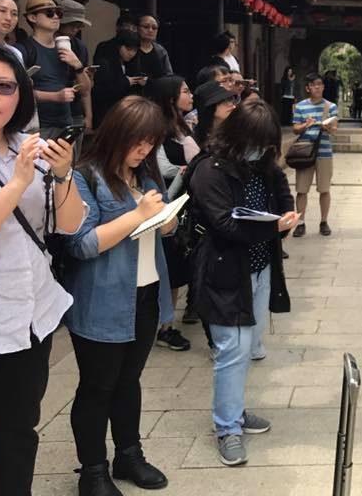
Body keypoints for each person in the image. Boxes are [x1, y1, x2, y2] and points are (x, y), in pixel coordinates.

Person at [0, 45, 85, 496]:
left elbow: (69, 225)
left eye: (4, 86)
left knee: (18, 433)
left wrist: (64, 174)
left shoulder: (31, 148)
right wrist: (18, 182)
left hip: (32, 317)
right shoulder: (18, 164)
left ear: (20, 96)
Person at [64, 96, 176, 496]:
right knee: (98, 387)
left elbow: (161, 228)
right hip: (102, 299)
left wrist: (166, 220)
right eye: (137, 141)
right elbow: (81, 245)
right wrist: (138, 215)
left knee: (129, 381)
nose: (144, 150)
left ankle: (129, 454)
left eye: (151, 143)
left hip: (146, 293)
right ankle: (92, 471)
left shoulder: (145, 175)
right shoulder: (85, 177)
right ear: (116, 133)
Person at [188, 100, 296, 467]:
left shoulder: (262, 164)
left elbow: (281, 192)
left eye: (267, 144)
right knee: (231, 350)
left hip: (260, 268)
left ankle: (234, 409)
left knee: (247, 347)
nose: (262, 150)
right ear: (237, 135)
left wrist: (287, 215)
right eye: (256, 142)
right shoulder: (210, 169)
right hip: (225, 272)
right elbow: (225, 225)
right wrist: (272, 227)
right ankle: (227, 428)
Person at [152, 76, 199, 352]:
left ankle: (166, 324)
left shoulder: (182, 125)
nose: (190, 95)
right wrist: (186, 171)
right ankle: (163, 327)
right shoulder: (157, 128)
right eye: (185, 91)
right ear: (170, 97)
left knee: (174, 267)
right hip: (165, 206)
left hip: (181, 205)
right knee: (167, 268)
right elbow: (162, 169)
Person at [22, 0, 90, 141]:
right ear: (33, 17)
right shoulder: (24, 49)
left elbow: (85, 90)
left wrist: (77, 65)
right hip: (38, 127)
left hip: (66, 124)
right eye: (49, 13)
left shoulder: (66, 49)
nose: (56, 17)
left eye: (58, 13)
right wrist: (55, 96)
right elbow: (17, 91)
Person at [292, 73, 338, 237]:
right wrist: (306, 125)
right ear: (308, 88)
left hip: (324, 152)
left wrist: (327, 127)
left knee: (324, 189)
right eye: (313, 84)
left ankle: (324, 221)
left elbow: (334, 129)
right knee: (301, 189)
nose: (317, 87)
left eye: (319, 84)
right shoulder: (300, 107)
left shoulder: (331, 106)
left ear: (323, 87)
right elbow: (295, 128)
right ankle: (300, 222)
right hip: (305, 152)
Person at [58, 0, 94, 153]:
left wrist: (89, 116)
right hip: (49, 114)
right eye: (72, 24)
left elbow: (86, 89)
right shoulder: (45, 44)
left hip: (75, 111)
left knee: (73, 159)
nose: (75, 29)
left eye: (79, 26)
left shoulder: (80, 46)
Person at [91, 30, 144, 129]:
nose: (131, 53)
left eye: (135, 50)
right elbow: (101, 93)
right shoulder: (105, 63)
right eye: (128, 49)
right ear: (119, 46)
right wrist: (126, 82)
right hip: (107, 114)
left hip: (126, 113)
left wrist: (141, 82)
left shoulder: (131, 64)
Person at [193, 80, 239, 149]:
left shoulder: (237, 132)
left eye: (230, 99)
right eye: (224, 101)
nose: (232, 105)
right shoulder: (194, 141)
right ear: (210, 108)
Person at [135, 14, 173, 85]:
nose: (150, 30)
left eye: (154, 28)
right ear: (136, 28)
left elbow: (169, 75)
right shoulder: (130, 48)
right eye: (146, 27)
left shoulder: (160, 50)